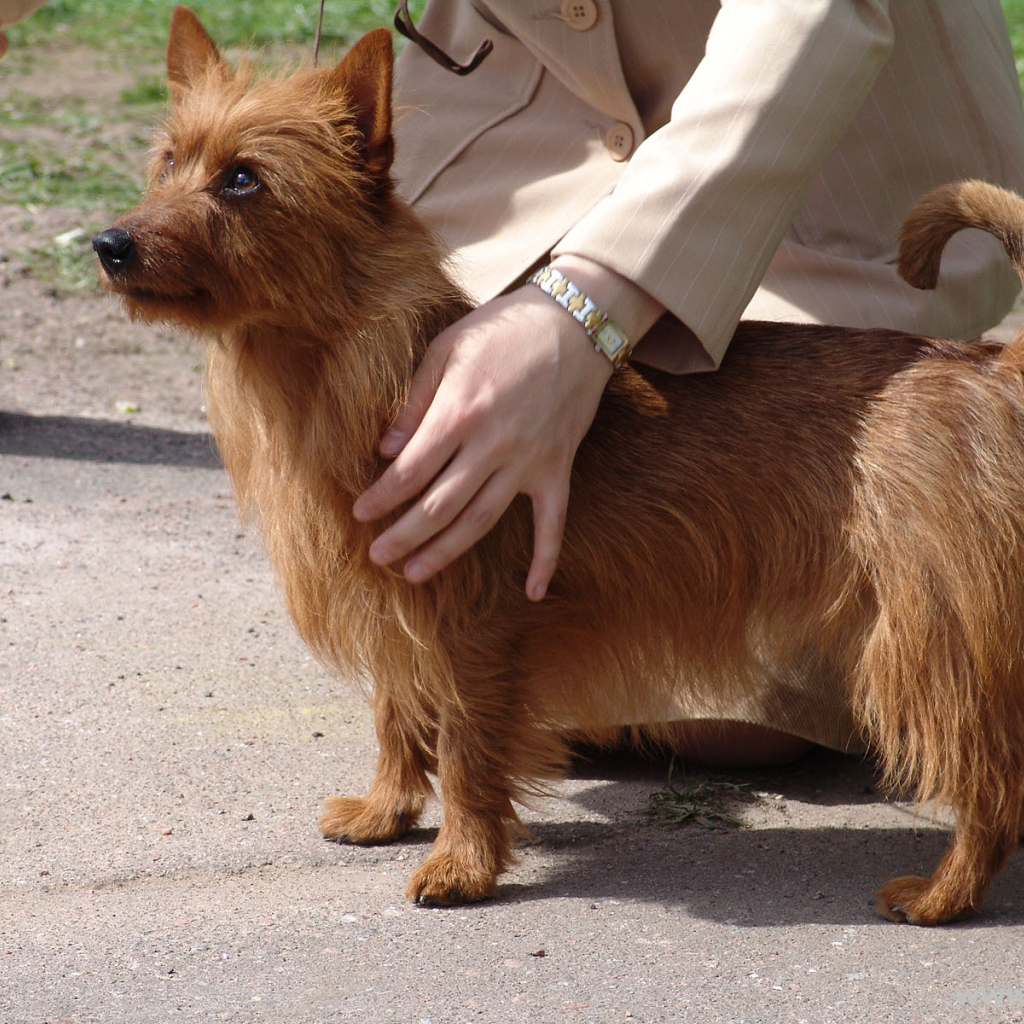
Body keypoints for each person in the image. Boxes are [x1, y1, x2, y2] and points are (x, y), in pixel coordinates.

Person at [367, 1, 1024, 763]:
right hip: (518, 136)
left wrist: (584, 309)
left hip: (809, 160)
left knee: (706, 693)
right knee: (435, 611)